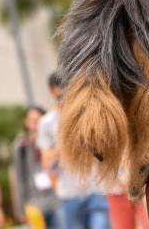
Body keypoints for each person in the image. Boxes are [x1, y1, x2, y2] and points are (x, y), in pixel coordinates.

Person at [37, 72, 111, 229]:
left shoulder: (85, 113)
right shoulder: (46, 123)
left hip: (96, 189)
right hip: (69, 194)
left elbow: (103, 151)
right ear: (52, 92)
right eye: (59, 94)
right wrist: (66, 142)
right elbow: (46, 161)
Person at [10, 106, 61, 228]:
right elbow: (18, 178)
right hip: (34, 202)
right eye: (30, 119)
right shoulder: (20, 146)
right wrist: (20, 207)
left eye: (37, 119)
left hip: (56, 199)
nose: (34, 122)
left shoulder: (55, 141)